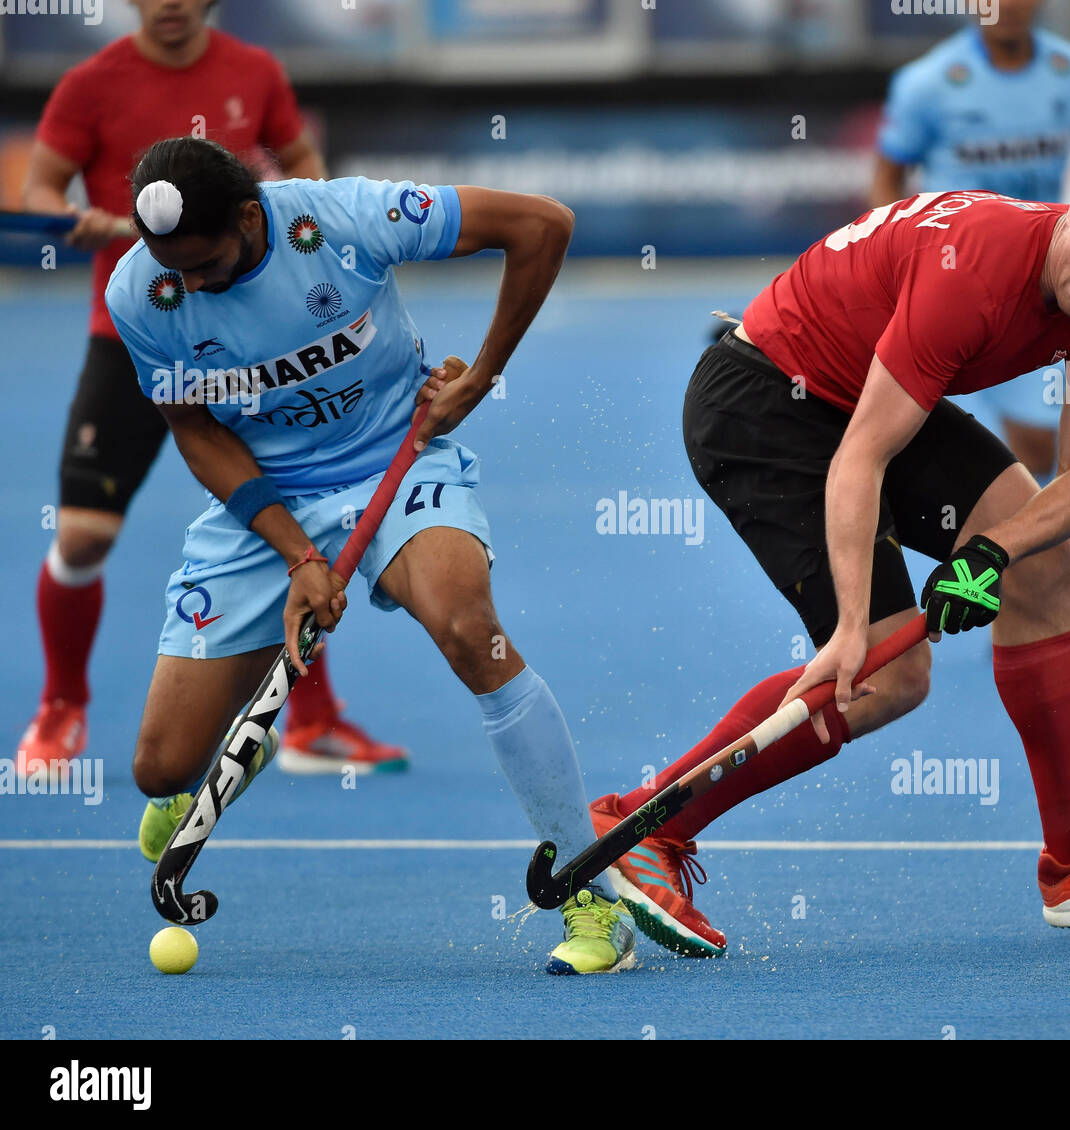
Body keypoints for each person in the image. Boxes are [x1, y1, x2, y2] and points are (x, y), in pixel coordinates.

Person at [592, 140, 1070, 958]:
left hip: (870, 394)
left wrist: (990, 555)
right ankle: (643, 826)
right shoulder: (972, 274)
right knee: (887, 677)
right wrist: (852, 631)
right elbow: (860, 454)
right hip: (766, 405)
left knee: (1045, 564)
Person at [107, 136, 634, 974]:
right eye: (176, 268)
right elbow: (196, 431)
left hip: (398, 453)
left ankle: (588, 892)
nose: (191, 286)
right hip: (266, 497)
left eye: (207, 265)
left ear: (250, 216)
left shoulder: (343, 218)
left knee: (469, 629)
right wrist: (295, 555)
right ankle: (218, 744)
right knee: (160, 765)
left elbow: (543, 224)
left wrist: (480, 376)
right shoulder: (144, 292)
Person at [17, 0, 406, 778]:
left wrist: (294, 240)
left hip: (258, 339)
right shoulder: (90, 84)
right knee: (84, 535)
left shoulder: (255, 71)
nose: (168, 3)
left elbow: (307, 172)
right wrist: (72, 222)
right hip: (135, 338)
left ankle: (311, 720)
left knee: (291, 517)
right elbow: (38, 192)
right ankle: (61, 706)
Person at [870, 0, 1070, 478]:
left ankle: (1000, 547)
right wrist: (890, 259)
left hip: (1034, 281)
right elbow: (887, 176)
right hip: (944, 276)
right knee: (896, 434)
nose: (1007, 6)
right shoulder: (928, 81)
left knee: (1037, 449)